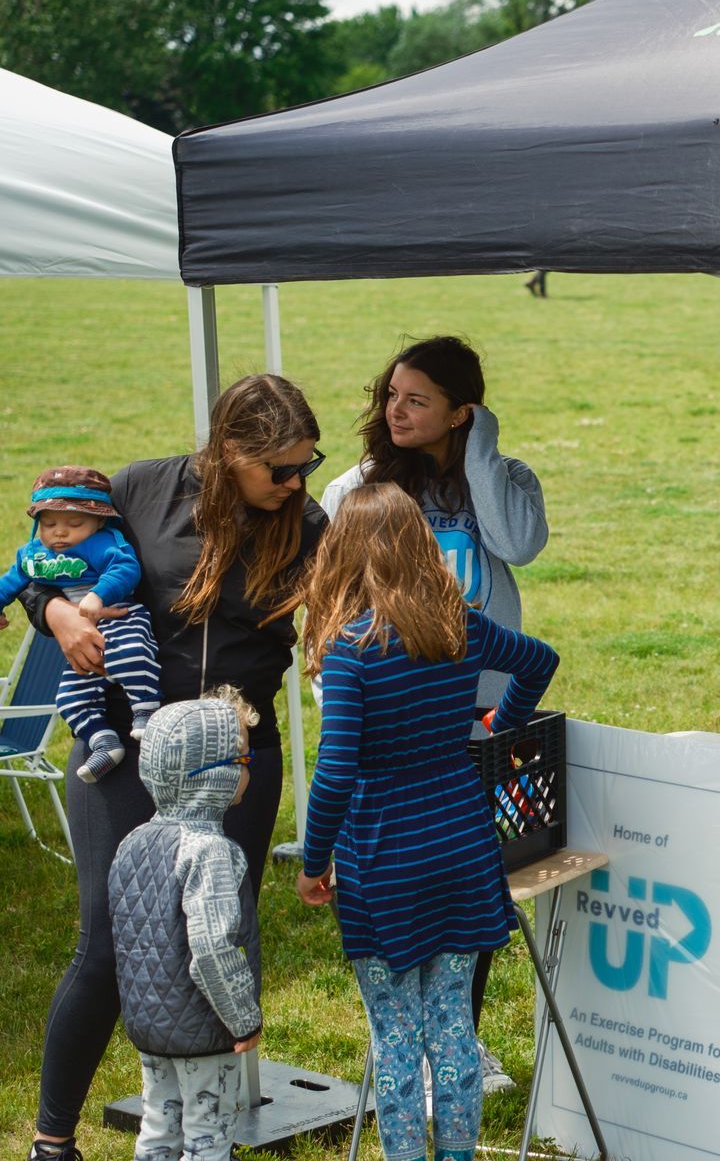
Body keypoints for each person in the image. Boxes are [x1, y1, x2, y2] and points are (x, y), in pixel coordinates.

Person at [19, 373, 327, 1161]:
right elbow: (42, 570)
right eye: (280, 469)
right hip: (123, 747)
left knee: (216, 934)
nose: (297, 483)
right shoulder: (138, 491)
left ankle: (200, 1138)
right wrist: (55, 613)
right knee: (108, 942)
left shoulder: (308, 523)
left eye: (307, 465)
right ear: (229, 451)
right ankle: (52, 1139)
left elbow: (339, 622)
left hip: (236, 755)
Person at [283, 482, 559, 1161]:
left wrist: (315, 862)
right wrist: (498, 724)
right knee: (453, 1030)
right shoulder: (459, 623)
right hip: (463, 847)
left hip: (383, 861)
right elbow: (538, 661)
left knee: (398, 1041)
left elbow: (337, 769)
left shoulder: (351, 650)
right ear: (421, 546)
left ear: (340, 555)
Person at [320, 334, 547, 1093]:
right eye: (391, 396)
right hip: (388, 719)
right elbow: (334, 601)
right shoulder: (357, 489)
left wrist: (481, 453)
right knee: (392, 881)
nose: (396, 412)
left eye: (418, 401)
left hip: (475, 710)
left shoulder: (505, 479)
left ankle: (462, 1038)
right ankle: (403, 1043)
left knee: (468, 879)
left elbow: (520, 543)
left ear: (463, 413)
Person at [107, 690, 263, 1161]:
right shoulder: (212, 852)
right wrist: (243, 1017)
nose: (249, 768)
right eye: (243, 756)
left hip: (149, 1023)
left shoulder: (132, 843)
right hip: (205, 1025)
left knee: (159, 1124)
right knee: (208, 1134)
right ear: (213, 773)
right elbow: (212, 949)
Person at [0, 466, 162, 782]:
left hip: (119, 615)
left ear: (98, 521)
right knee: (69, 699)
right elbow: (10, 582)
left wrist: (99, 594)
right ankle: (104, 742)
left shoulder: (100, 543)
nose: (60, 532)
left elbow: (125, 568)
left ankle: (146, 712)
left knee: (131, 654)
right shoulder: (33, 554)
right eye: (48, 524)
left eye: (74, 523)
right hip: (82, 636)